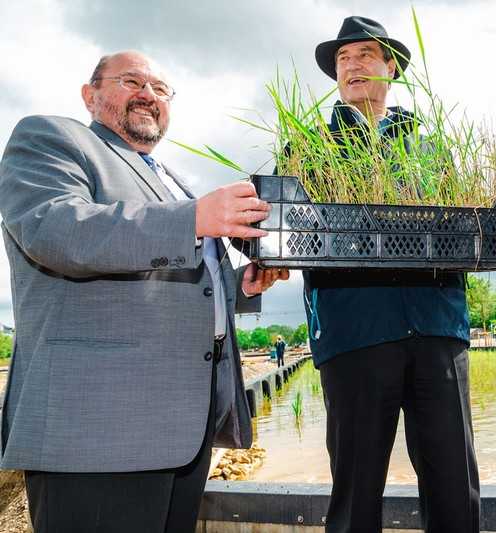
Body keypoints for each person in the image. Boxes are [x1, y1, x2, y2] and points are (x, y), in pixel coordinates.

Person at [0, 50, 288, 532]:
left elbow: (171, 284)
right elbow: (56, 231)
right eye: (132, 81)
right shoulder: (50, 138)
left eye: (160, 89)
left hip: (180, 434)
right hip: (96, 436)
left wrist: (240, 286)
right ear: (90, 96)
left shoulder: (167, 178)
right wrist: (194, 217)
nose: (148, 95)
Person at [303, 16, 479, 533]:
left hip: (437, 328)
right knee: (356, 488)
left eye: (365, 55)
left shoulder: (431, 149)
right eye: (343, 59)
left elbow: (463, 227)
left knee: (454, 481)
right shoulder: (311, 146)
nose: (353, 66)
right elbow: (288, 227)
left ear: (391, 68)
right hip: (355, 329)